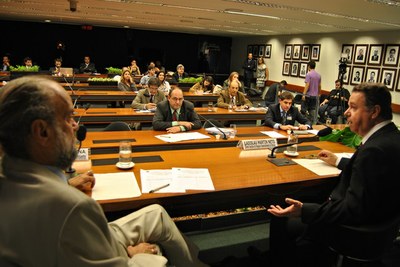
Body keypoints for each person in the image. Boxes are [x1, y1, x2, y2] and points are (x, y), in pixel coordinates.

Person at [0, 75, 208, 267]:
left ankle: (194, 262)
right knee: (155, 251)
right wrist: (134, 254)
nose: (75, 126)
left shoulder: (9, 178)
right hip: (105, 249)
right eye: (67, 118)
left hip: (83, 238)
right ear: (41, 131)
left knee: (157, 214)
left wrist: (67, 183)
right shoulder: (73, 208)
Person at [267, 83, 400, 267]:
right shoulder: (391, 138)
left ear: (374, 112)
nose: (346, 113)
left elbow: (352, 209)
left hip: (353, 232)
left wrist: (304, 210)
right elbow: (370, 173)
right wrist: (338, 161)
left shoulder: (374, 150)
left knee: (281, 210)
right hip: (382, 226)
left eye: (353, 107)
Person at [302, 60, 321, 125]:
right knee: (312, 111)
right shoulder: (318, 75)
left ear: (309, 66)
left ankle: (304, 124)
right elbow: (319, 86)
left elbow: (307, 85)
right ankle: (311, 124)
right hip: (315, 96)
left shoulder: (308, 74)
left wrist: (304, 94)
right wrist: (319, 94)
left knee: (303, 110)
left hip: (308, 95)